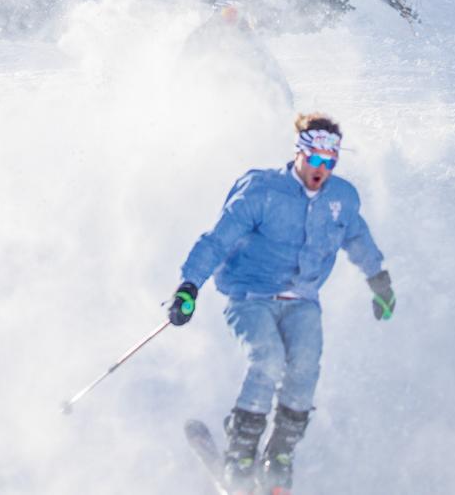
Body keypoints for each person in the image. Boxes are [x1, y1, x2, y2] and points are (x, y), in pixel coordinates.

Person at [168, 114, 395, 495]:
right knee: (268, 359)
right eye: (316, 159)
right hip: (251, 296)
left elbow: (359, 241)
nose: (322, 169)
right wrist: (189, 286)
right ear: (300, 154)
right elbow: (217, 240)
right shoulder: (262, 191)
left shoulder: (341, 199)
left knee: (305, 368)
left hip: (302, 301)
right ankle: (241, 452)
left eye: (330, 161)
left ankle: (280, 455)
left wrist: (379, 282)